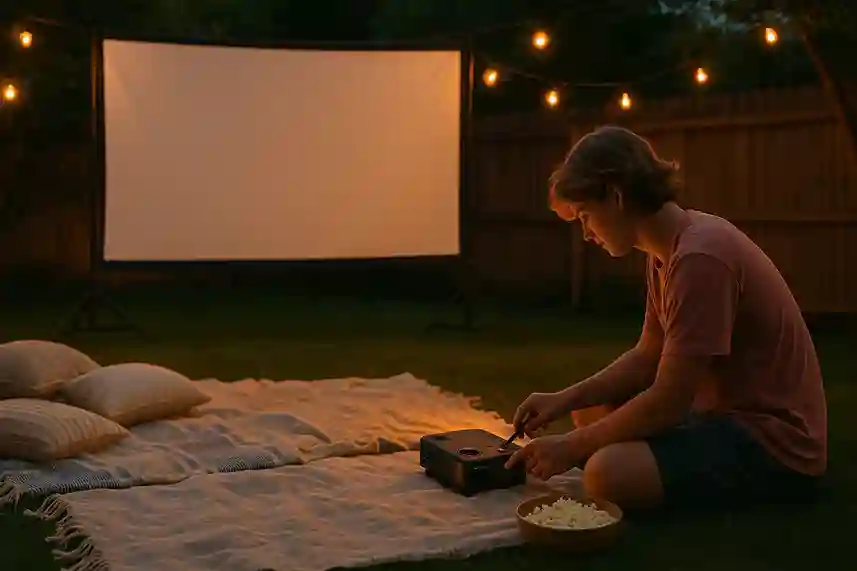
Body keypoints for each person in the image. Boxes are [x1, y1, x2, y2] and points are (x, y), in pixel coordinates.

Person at [505, 125, 828, 511]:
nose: (587, 234)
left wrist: (571, 448)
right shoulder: (666, 253)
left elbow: (670, 400)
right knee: (587, 411)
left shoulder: (700, 259)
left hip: (771, 440)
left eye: (586, 216)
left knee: (607, 473)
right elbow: (647, 356)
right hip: (718, 416)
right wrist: (563, 398)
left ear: (616, 195)